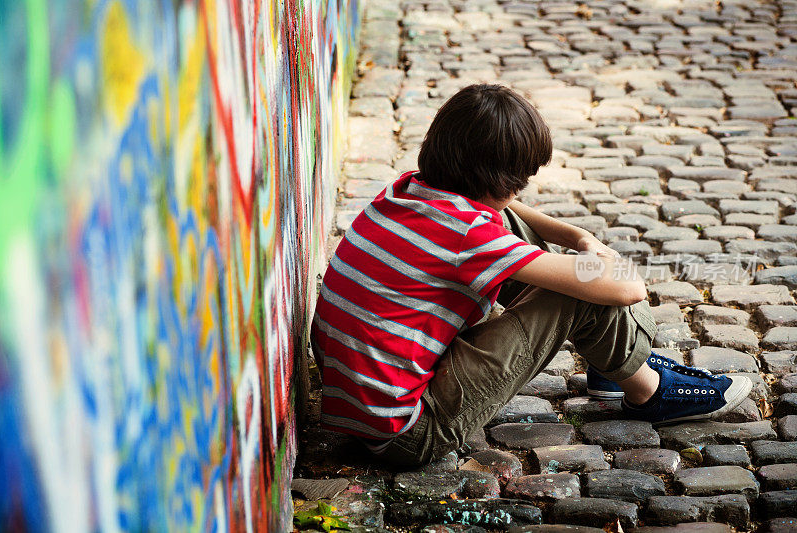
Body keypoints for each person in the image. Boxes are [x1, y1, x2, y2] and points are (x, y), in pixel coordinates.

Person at [310, 84, 752, 466]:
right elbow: (627, 287)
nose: (521, 189)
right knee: (578, 291)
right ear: (495, 177)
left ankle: (612, 366)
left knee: (517, 230)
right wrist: (593, 257)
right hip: (407, 432)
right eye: (518, 180)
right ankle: (649, 392)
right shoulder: (467, 235)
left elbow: (506, 210)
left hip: (365, 406)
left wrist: (578, 236)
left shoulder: (412, 189)